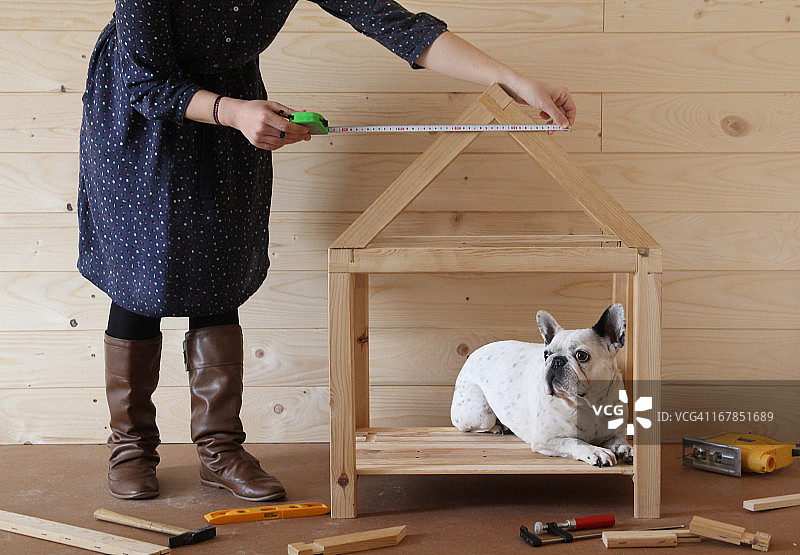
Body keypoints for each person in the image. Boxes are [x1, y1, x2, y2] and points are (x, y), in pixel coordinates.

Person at [79, 0, 577, 502]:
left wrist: (512, 79)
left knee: (218, 270)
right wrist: (233, 112)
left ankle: (220, 452)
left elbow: (398, 26)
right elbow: (145, 80)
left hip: (234, 107)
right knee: (139, 278)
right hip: (142, 113)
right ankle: (132, 449)